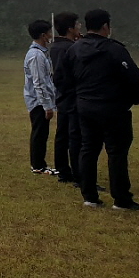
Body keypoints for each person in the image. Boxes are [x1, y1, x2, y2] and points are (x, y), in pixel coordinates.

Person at [70, 9, 139, 210]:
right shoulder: (114, 50)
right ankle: (121, 199)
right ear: (106, 26)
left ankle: (89, 196)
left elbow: (63, 77)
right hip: (112, 108)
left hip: (85, 106)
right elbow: (135, 78)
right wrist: (133, 99)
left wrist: (78, 98)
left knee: (88, 149)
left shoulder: (75, 49)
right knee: (117, 153)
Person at [48, 12, 82, 184]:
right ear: (70, 28)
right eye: (77, 24)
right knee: (75, 137)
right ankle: (78, 175)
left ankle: (63, 170)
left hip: (62, 97)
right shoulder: (69, 48)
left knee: (62, 135)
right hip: (72, 96)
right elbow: (66, 75)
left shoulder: (56, 46)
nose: (80, 27)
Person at [23, 19, 58, 175]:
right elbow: (39, 82)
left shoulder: (42, 53)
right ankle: (38, 165)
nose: (51, 35)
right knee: (39, 133)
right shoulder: (36, 55)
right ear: (43, 35)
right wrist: (47, 106)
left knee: (42, 133)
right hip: (38, 102)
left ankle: (39, 164)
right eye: (49, 32)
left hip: (41, 100)